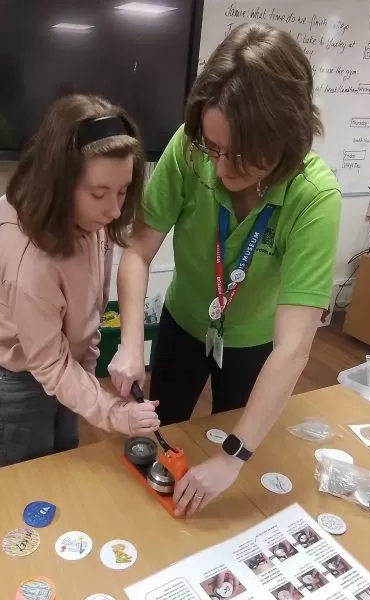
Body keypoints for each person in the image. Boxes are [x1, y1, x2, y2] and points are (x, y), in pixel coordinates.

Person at [108, 23, 341, 515]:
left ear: (286, 140)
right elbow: (136, 252)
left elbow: (294, 347)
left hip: (255, 344)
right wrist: (131, 344)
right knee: (162, 431)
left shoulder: (314, 198)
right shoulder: (190, 149)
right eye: (213, 148)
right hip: (184, 323)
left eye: (239, 155)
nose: (219, 168)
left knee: (232, 439)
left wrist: (232, 457)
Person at [0, 94, 159, 468]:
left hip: (60, 363)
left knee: (62, 459)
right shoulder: (31, 262)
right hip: (12, 378)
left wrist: (87, 374)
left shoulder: (90, 220)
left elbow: (90, 308)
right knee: (26, 480)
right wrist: (112, 412)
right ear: (58, 182)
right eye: (99, 193)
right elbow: (49, 367)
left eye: (122, 191)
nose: (115, 209)